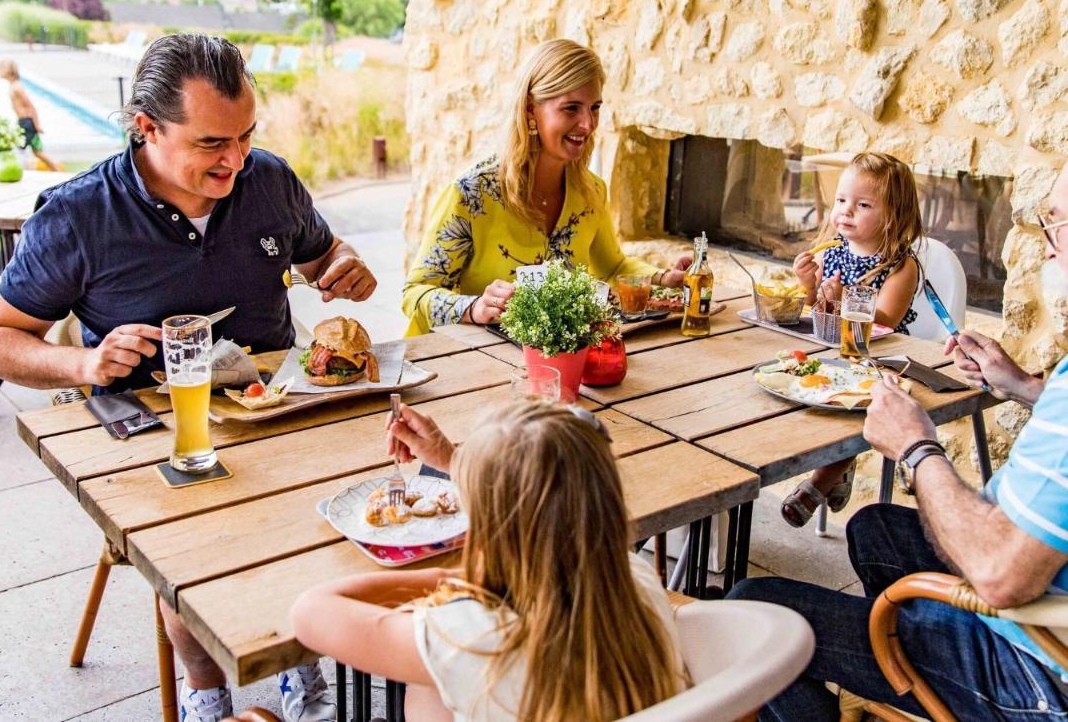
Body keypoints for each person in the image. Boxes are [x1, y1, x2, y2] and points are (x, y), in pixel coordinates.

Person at [0, 34, 378, 722]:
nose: (236, 160)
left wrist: (345, 266)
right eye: (212, 144)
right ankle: (206, 691)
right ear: (146, 128)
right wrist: (82, 363)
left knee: (353, 509)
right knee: (194, 551)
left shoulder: (269, 180)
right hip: (155, 432)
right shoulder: (76, 216)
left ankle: (301, 662)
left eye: (246, 136)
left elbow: (321, 255)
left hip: (277, 406)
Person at [729, 162, 1068, 720]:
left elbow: (1000, 575)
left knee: (752, 611)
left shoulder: (898, 263)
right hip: (1033, 601)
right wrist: (1026, 388)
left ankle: (916, 664)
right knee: (874, 525)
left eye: (1054, 225)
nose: (1047, 245)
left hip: (1030, 667)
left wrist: (917, 446)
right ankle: (904, 668)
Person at [286, 399, 690, 720]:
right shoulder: (636, 579)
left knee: (430, 690)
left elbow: (309, 611)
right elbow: (543, 498)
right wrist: (450, 458)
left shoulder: (475, 639)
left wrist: (451, 577)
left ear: (493, 535)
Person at [401, 38, 690, 336]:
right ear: (530, 111)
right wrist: (473, 308)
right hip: (460, 365)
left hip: (549, 362)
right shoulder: (471, 195)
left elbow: (613, 267)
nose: (588, 124)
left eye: (594, 108)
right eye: (571, 108)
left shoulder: (592, 192)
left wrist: (664, 278)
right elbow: (415, 293)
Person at [781, 152, 924, 527]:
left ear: (892, 216)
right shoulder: (834, 252)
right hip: (833, 352)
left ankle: (819, 482)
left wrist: (846, 299)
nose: (846, 211)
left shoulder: (900, 265)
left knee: (858, 404)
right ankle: (838, 470)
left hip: (881, 359)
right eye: (842, 200)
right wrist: (808, 285)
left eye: (862, 205)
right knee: (799, 383)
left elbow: (887, 319)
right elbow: (815, 308)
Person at [0, 58, 64, 171]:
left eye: (0, 69)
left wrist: (37, 125)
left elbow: (30, 106)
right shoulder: (14, 85)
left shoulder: (17, 87)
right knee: (37, 151)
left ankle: (21, 170)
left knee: (19, 149)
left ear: (8, 70)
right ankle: (56, 169)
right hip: (23, 122)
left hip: (26, 123)